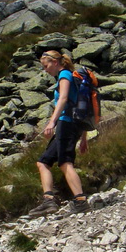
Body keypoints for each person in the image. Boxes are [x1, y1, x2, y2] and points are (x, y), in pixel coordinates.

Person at [28, 50, 90, 217]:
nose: (45, 70)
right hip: (73, 124)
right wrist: (84, 138)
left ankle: (80, 201)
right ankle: (48, 200)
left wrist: (52, 122)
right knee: (43, 162)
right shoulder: (71, 76)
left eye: (46, 65)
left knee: (65, 163)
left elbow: (63, 99)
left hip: (66, 123)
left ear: (55, 62)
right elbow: (80, 107)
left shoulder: (64, 75)